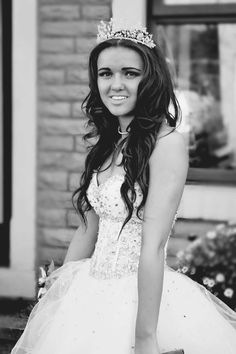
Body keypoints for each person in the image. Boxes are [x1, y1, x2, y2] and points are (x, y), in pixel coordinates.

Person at [12, 19, 236, 354]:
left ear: (150, 79)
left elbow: (154, 246)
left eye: (130, 73)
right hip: (88, 291)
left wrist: (145, 337)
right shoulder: (107, 143)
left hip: (139, 298)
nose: (116, 84)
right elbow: (87, 230)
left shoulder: (168, 144)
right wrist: (55, 298)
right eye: (106, 73)